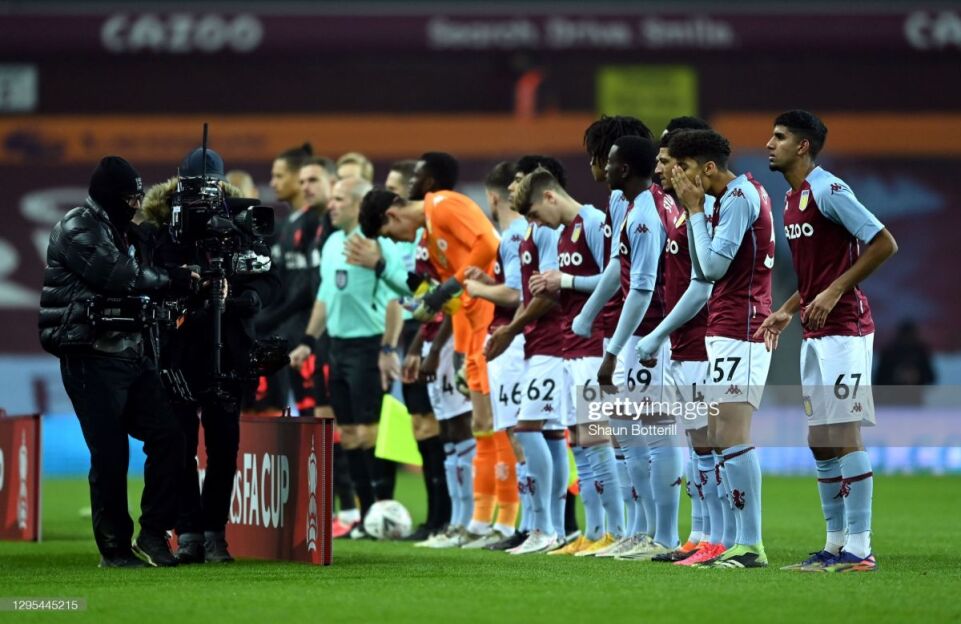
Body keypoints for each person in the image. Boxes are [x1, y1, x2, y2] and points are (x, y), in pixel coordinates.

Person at [39, 156, 197, 568]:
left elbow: (146, 271)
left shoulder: (126, 231)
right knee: (110, 454)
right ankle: (114, 550)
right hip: (89, 354)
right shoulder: (77, 227)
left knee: (171, 437)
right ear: (110, 197)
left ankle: (153, 534)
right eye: (130, 198)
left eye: (139, 197)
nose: (137, 204)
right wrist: (172, 278)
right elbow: (120, 276)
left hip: (131, 352)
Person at [759, 110, 898, 572]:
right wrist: (787, 309)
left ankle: (860, 548)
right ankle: (834, 545)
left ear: (803, 146)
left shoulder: (829, 190)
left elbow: (883, 243)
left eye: (779, 137)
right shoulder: (790, 199)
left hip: (846, 328)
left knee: (843, 432)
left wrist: (836, 291)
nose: (769, 144)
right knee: (819, 439)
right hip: (815, 330)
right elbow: (816, 275)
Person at [355, 152, 502, 546]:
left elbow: (490, 243)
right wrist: (451, 340)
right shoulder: (431, 235)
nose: (395, 240)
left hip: (495, 320)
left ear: (392, 215)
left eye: (389, 234)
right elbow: (448, 298)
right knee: (481, 426)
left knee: (497, 428)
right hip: (470, 327)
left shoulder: (444, 204)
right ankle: (473, 523)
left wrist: (446, 290)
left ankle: (503, 523)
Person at [143, 147, 279, 563]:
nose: (205, 195)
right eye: (196, 187)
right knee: (181, 445)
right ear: (180, 186)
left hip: (229, 349)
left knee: (224, 446)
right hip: (179, 351)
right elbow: (149, 279)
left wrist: (245, 299)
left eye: (211, 187)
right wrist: (190, 285)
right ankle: (189, 533)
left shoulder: (240, 223)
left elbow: (270, 279)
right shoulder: (161, 229)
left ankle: (214, 532)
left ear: (223, 187)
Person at [669, 128, 775, 568]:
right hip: (726, 325)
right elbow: (704, 268)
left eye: (683, 167)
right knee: (716, 435)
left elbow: (711, 267)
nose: (676, 176)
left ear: (708, 167)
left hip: (743, 327)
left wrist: (693, 210)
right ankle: (731, 540)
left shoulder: (737, 198)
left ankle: (751, 544)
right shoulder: (726, 199)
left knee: (732, 433)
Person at [519, 167, 627, 557]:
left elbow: (614, 279)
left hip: (594, 344)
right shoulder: (565, 232)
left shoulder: (593, 222)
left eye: (535, 214)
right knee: (579, 441)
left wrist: (562, 281)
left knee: (596, 436)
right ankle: (593, 530)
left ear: (550, 196)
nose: (536, 223)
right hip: (570, 346)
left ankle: (617, 530)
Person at [289, 177, 403, 529]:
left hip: (369, 346)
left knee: (370, 433)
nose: (332, 205)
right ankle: (366, 516)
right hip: (336, 347)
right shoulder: (332, 243)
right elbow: (325, 297)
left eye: (339, 199)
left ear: (358, 204)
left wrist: (388, 347)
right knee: (349, 433)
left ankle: (383, 509)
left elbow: (397, 301)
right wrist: (308, 340)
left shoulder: (380, 244)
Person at [640, 119, 728, 566]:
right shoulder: (679, 212)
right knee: (697, 444)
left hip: (701, 341)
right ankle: (700, 534)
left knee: (709, 443)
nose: (660, 169)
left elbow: (702, 286)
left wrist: (656, 333)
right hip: (683, 342)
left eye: (667, 161)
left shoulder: (705, 211)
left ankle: (716, 536)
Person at [461, 161, 527, 549]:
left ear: (492, 197)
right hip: (514, 342)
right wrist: (490, 282)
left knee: (523, 434)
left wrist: (478, 289)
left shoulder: (514, 234)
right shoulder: (517, 234)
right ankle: (533, 524)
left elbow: (516, 294)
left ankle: (536, 524)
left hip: (513, 342)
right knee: (523, 433)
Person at [255, 143, 314, 414]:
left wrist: (271, 318)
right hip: (288, 331)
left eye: (279, 176)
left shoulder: (314, 223)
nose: (273, 183)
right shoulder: (289, 223)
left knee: (320, 414)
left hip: (307, 334)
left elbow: (311, 286)